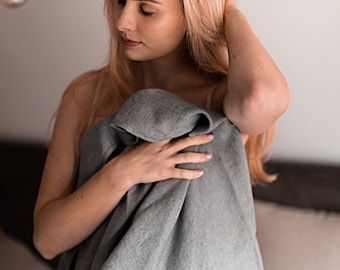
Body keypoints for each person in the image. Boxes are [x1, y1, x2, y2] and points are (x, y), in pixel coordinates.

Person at [33, 0, 289, 265]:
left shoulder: (222, 100)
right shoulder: (88, 96)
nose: (123, 22)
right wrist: (124, 171)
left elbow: (263, 97)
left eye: (146, 10)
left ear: (191, 16)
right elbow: (47, 241)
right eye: (121, 2)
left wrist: (227, 10)